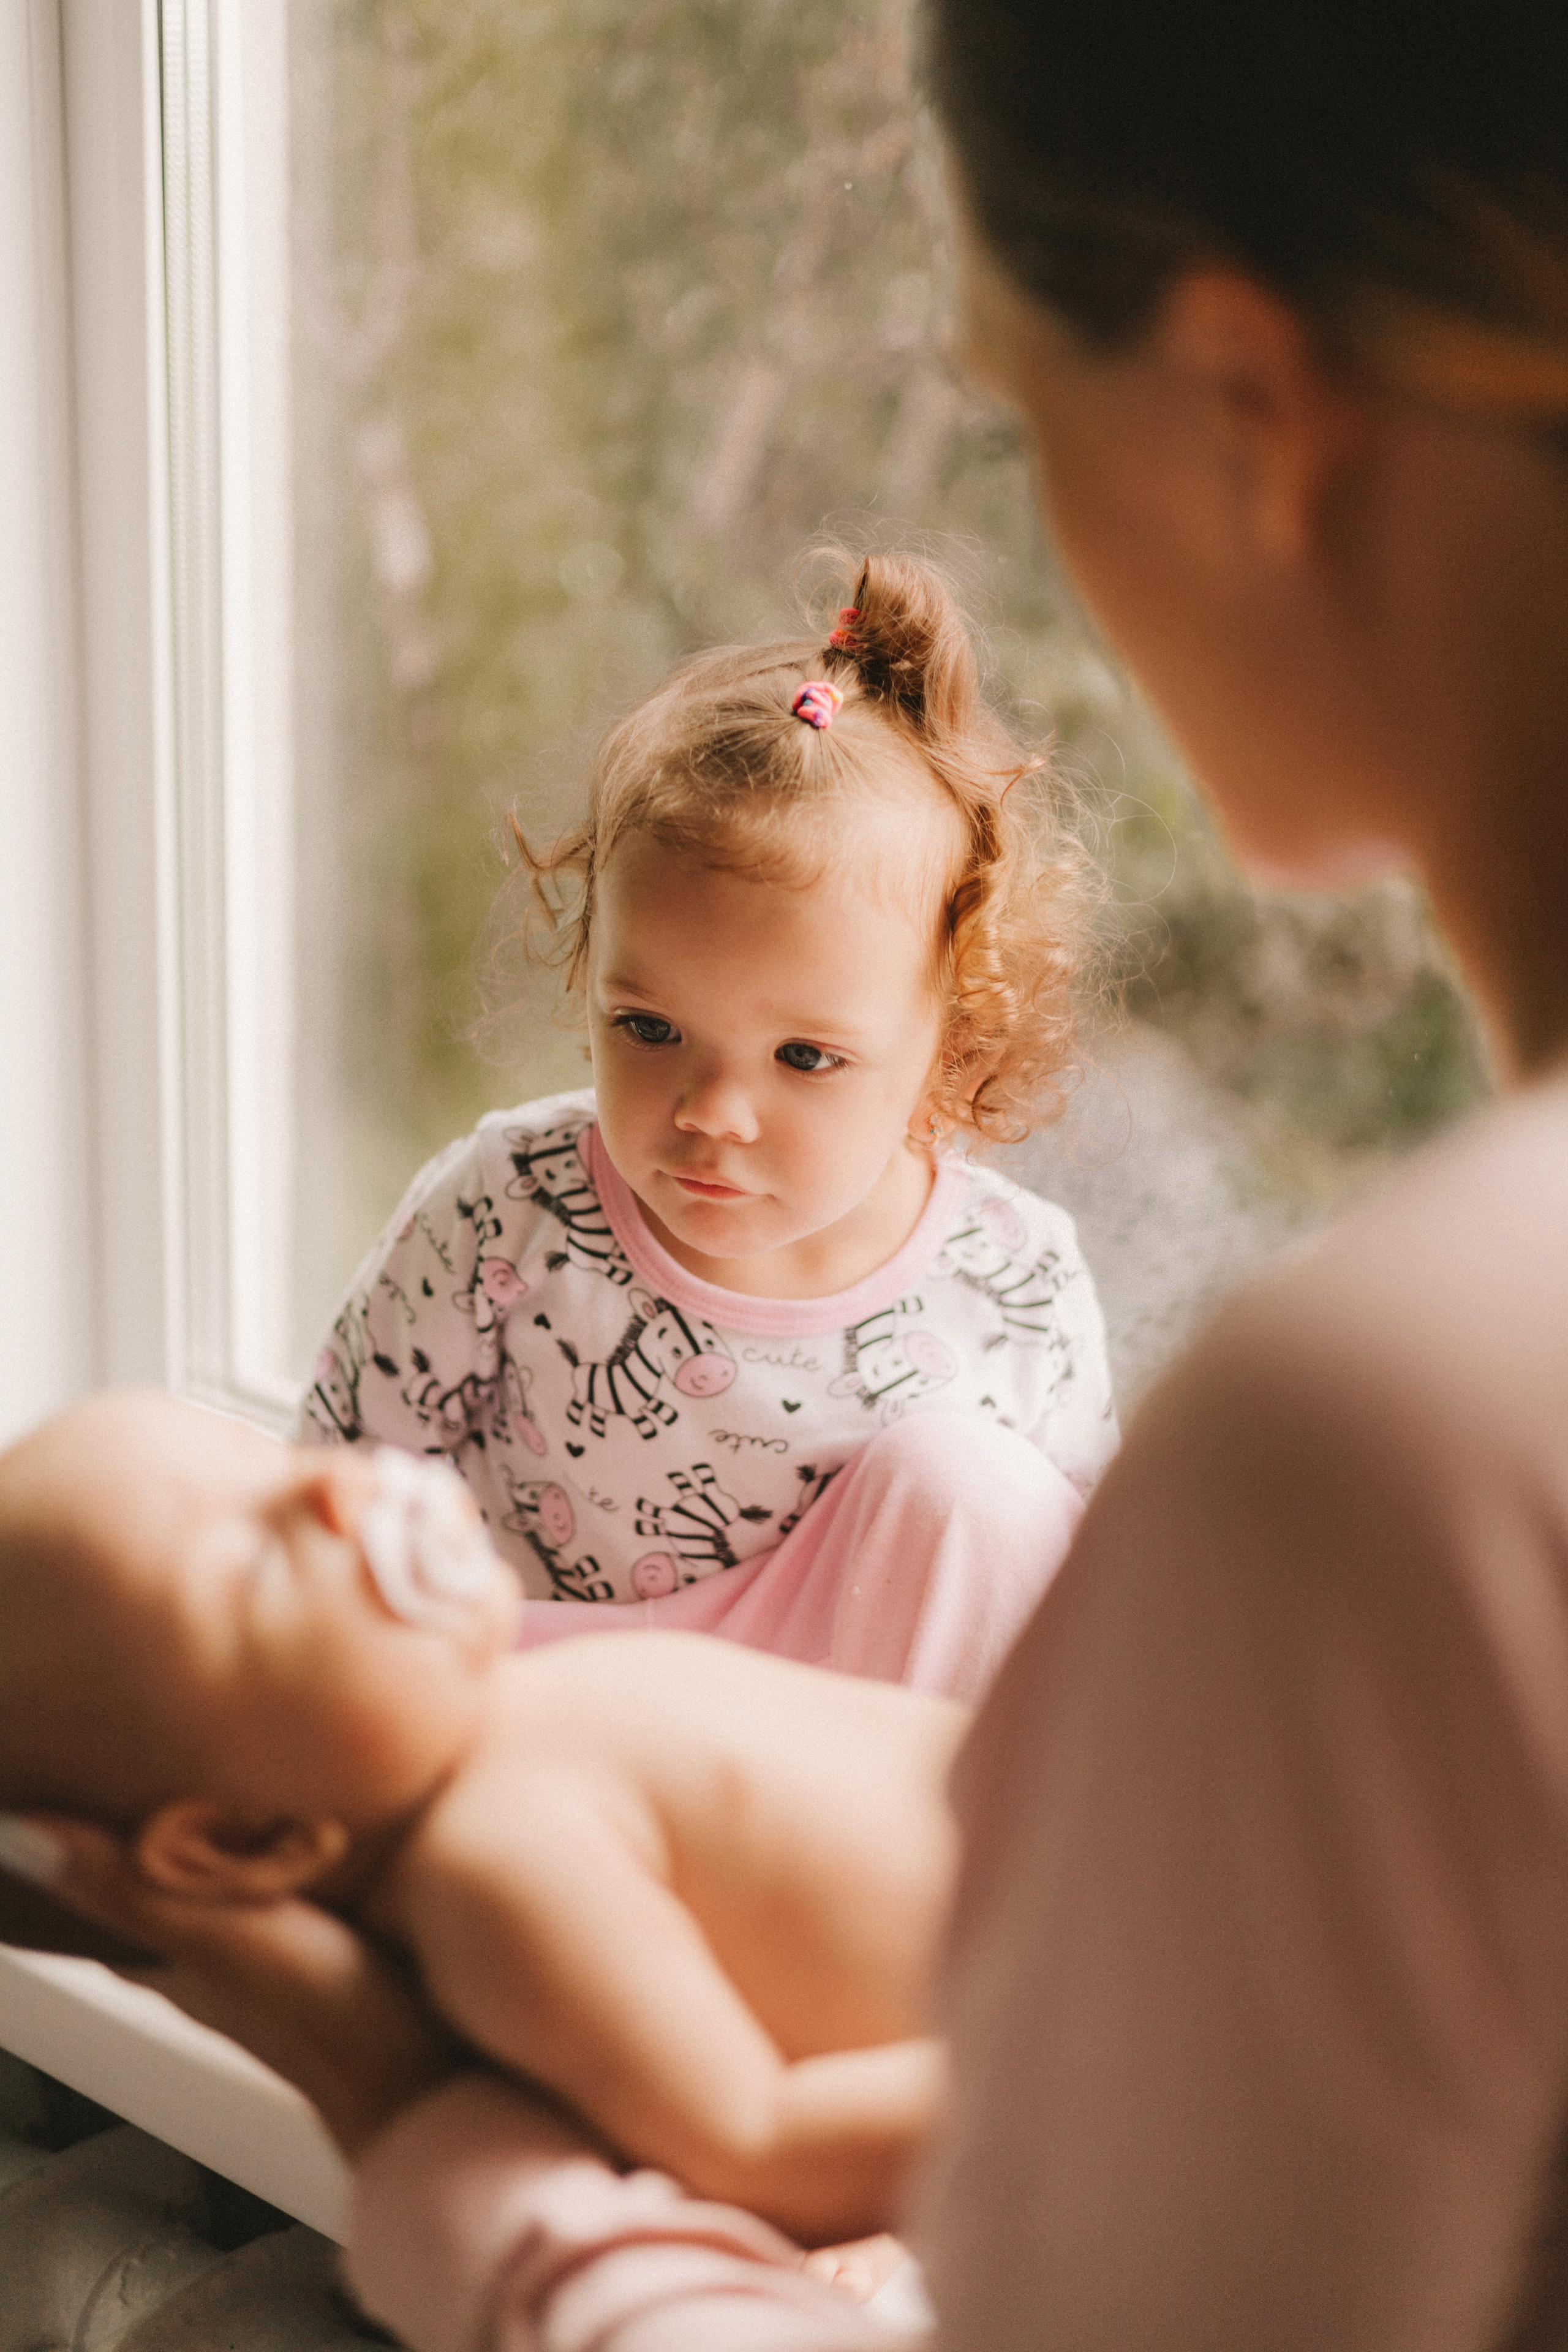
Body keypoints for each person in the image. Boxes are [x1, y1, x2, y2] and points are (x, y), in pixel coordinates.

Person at [10, 2, 1568, 2346]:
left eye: (1021, 413)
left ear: (1254, 416)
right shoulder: (1419, 1409)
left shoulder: (1385, 1432)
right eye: (652, 1023)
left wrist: (425, 2130)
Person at [299, 551, 1112, 1702]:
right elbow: (333, 1489)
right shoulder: (510, 1206)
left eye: (806, 1058)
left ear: (953, 1040)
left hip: (831, 1776)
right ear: (590, 979)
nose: (710, 1113)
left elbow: (1075, 1625)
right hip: (541, 1721)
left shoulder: (1011, 1279)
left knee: (976, 1489)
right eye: (648, 1028)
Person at [0, 1389, 965, 2253]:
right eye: (254, 1563)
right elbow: (757, 2144)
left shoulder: (513, 1716)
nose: (338, 1490)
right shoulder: (496, 1867)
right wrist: (1071, 2064)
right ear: (246, 1841)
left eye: (281, 1461)